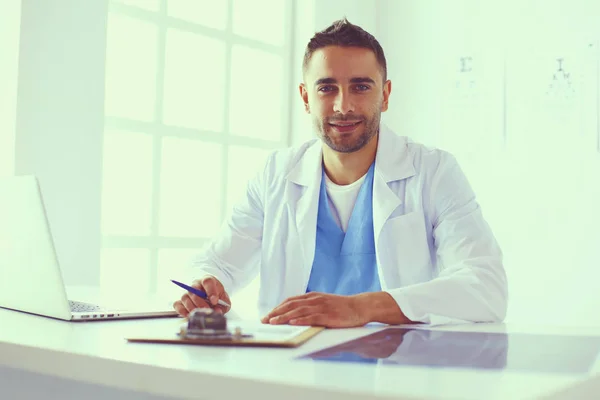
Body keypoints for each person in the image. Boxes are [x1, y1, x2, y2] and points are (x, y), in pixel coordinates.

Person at [172, 18, 508, 328]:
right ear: (305, 97)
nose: (343, 106)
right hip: (288, 374)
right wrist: (205, 283)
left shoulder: (433, 172)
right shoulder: (274, 175)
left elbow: (486, 288)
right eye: (326, 88)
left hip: (398, 378)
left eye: (361, 87)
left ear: (385, 95)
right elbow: (217, 263)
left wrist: (362, 308)